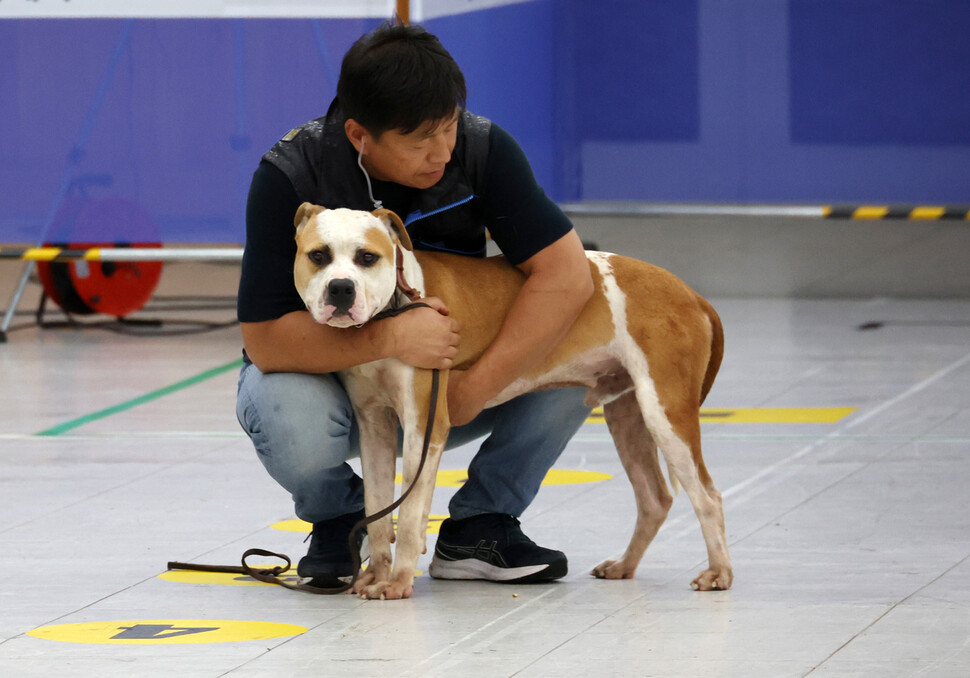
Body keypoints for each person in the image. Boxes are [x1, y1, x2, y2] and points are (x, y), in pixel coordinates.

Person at [235, 23, 593, 589]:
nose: (443, 151)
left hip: (453, 377)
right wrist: (391, 338)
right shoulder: (290, 175)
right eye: (421, 139)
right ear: (359, 135)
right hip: (331, 380)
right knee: (285, 414)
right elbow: (264, 341)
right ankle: (342, 518)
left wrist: (473, 389)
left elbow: (567, 276)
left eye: (449, 127)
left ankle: (482, 524)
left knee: (574, 362)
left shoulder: (483, 150)